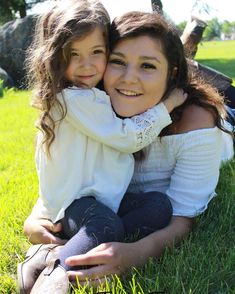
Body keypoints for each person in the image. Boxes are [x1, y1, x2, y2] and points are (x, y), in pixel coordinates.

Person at [22, 10, 234, 288]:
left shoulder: (197, 124)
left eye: (147, 66)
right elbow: (69, 170)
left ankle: (185, 57)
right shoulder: (92, 102)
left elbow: (183, 218)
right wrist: (35, 218)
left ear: (169, 75)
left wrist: (136, 253)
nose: (128, 79)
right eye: (117, 61)